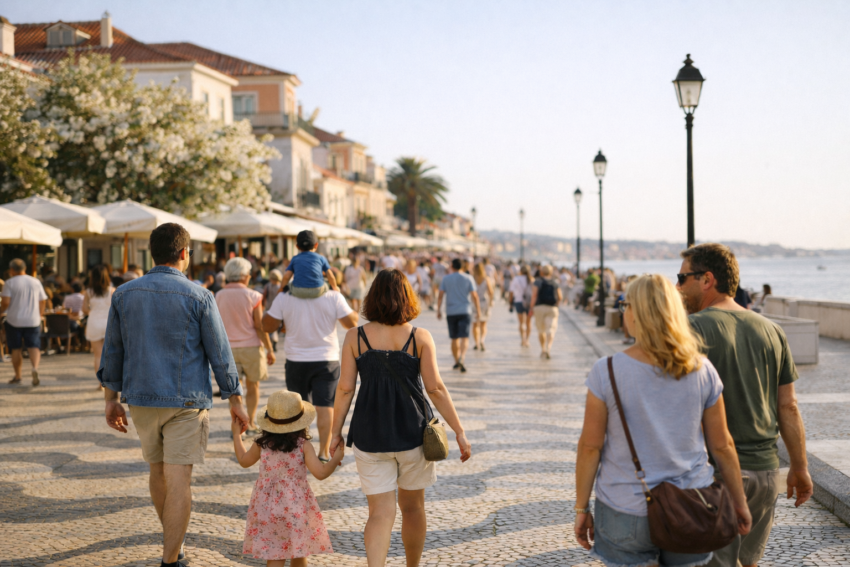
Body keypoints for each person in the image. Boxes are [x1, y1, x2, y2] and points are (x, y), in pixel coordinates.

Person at [575, 274, 751, 566]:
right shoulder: (702, 369)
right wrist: (740, 503)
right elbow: (722, 446)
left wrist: (582, 508)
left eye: (625, 305)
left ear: (637, 312)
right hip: (692, 505)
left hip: (625, 508)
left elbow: (590, 447)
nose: (624, 312)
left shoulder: (606, 371)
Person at [98, 223, 248, 567]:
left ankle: (174, 547)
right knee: (179, 479)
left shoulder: (124, 294)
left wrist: (110, 398)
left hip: (141, 399)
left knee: (158, 473)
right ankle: (171, 559)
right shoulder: (200, 296)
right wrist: (235, 400)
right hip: (187, 401)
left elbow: (113, 351)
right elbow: (220, 353)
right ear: (184, 253)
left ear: (153, 253)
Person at [676, 244, 813, 567]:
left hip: (716, 475)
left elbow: (679, 408)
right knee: (748, 562)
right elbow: (788, 407)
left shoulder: (693, 330)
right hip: (766, 473)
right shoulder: (772, 331)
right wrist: (799, 467)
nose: (678, 287)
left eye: (682, 278)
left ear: (707, 279)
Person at [330, 269, 471, 566]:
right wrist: (458, 430)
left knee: (380, 513)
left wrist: (335, 433)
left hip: (369, 435)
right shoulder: (420, 337)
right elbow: (435, 388)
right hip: (413, 435)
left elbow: (344, 389)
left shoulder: (355, 337)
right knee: (413, 507)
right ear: (407, 297)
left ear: (373, 298)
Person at [232, 390, 341, 566]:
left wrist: (237, 435)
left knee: (275, 554)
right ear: (301, 422)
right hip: (296, 508)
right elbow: (320, 473)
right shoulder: (303, 446)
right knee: (299, 552)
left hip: (267, 508)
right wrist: (336, 458)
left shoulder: (262, 444)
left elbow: (244, 461)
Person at [262, 273, 359, 462]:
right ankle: (323, 452)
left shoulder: (285, 296)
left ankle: (299, 452)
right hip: (326, 359)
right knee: (325, 406)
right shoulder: (333, 296)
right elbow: (352, 323)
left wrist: (281, 292)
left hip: (296, 359)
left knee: (297, 409)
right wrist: (338, 291)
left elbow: (266, 325)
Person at [216, 258, 276, 434]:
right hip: (251, 347)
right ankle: (250, 423)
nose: (250, 276)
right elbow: (259, 326)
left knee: (233, 391)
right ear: (243, 276)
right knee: (253, 386)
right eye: (249, 273)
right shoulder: (253, 296)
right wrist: (269, 348)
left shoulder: (218, 295)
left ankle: (238, 425)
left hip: (227, 349)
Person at [0, 258, 47, 386]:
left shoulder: (9, 283)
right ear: (25, 268)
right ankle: (34, 368)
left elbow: (5, 303)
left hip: (14, 319)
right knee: (34, 346)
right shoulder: (36, 282)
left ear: (11, 270)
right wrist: (40, 315)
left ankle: (18, 376)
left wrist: (1, 311)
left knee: (15, 348)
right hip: (33, 319)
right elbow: (43, 300)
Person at [436, 258, 481, 373]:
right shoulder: (468, 278)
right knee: (464, 337)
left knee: (454, 338)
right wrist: (478, 310)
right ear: (463, 266)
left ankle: (456, 360)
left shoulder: (446, 279)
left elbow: (440, 295)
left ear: (452, 266)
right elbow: (475, 296)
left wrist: (438, 310)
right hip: (465, 310)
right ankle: (463, 357)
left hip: (451, 311)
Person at [280, 230, 339, 299]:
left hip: (298, 291)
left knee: (290, 284)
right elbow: (331, 276)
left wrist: (281, 288)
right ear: (316, 245)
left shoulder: (295, 259)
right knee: (325, 283)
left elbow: (287, 276)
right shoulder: (321, 258)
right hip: (317, 291)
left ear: (297, 246)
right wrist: (335, 287)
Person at [83, 265, 115, 383]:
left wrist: (94, 311)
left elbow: (84, 309)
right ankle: (110, 382)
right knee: (110, 355)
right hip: (109, 323)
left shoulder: (89, 292)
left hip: (94, 322)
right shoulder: (112, 290)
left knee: (97, 355)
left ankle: (100, 383)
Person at [529, 265, 562, 359]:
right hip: (552, 308)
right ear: (551, 272)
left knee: (541, 330)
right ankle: (549, 347)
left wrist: (531, 308)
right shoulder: (555, 282)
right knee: (550, 329)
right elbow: (560, 297)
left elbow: (534, 295)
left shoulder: (538, 281)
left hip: (539, 307)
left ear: (541, 272)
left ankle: (543, 349)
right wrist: (557, 306)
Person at [472, 262, 494, 351]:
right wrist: (491, 301)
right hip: (485, 303)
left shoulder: (472, 279)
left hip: (474, 303)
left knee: (475, 324)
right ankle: (482, 340)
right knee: (483, 324)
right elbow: (491, 292)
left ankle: (476, 343)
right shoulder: (486, 279)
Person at [508, 265, 531, 347]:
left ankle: (522, 339)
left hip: (518, 301)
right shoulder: (531, 279)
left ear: (520, 271)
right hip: (529, 303)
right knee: (528, 323)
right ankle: (527, 340)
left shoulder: (516, 279)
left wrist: (510, 303)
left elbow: (511, 292)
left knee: (521, 323)